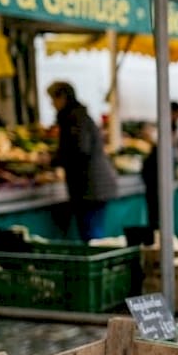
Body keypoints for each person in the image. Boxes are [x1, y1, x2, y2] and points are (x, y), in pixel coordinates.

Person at [48, 81, 118, 241]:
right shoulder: (79, 116)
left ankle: (95, 264)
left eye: (53, 99)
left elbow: (80, 149)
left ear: (63, 97)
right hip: (92, 185)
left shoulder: (74, 118)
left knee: (92, 235)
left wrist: (56, 160)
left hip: (89, 186)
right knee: (92, 232)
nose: (52, 104)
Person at [141, 101, 178, 234]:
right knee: (155, 208)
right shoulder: (160, 126)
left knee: (159, 208)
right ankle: (156, 234)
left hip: (160, 173)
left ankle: (159, 233)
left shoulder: (171, 126)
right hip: (155, 173)